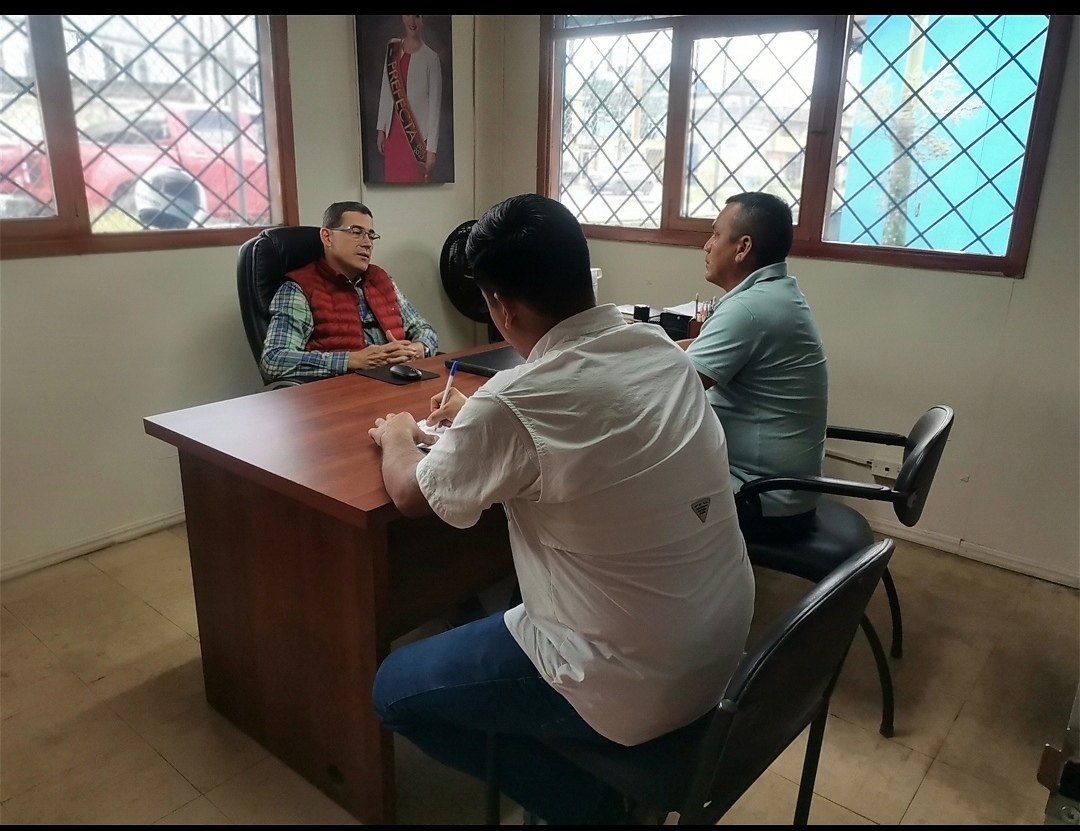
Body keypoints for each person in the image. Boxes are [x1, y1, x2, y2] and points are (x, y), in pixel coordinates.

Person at [367, 194, 754, 824]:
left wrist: (397, 436)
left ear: (501, 307)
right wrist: (479, 421)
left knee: (392, 691)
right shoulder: (659, 348)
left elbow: (412, 495)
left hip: (628, 680)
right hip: (721, 646)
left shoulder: (512, 400)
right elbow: (591, 424)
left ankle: (588, 808)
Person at [681, 191, 828, 544]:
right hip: (777, 489)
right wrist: (641, 343)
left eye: (715, 234)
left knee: (629, 491)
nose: (707, 246)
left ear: (743, 247)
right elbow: (692, 354)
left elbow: (672, 387)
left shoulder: (749, 310)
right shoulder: (773, 294)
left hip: (759, 497)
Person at [259, 201, 438, 384]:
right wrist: (351, 360)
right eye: (356, 232)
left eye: (371, 235)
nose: (367, 243)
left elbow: (424, 329)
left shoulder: (381, 279)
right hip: (345, 391)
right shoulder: (299, 288)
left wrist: (419, 348)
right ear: (327, 237)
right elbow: (273, 360)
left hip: (399, 383)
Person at [376, 15, 441, 183]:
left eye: (417, 16)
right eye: (408, 15)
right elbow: (386, 89)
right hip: (392, 137)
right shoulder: (393, 47)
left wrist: (431, 149)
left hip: (415, 140)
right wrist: (381, 129)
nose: (412, 21)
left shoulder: (431, 58)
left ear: (422, 19)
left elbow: (435, 106)